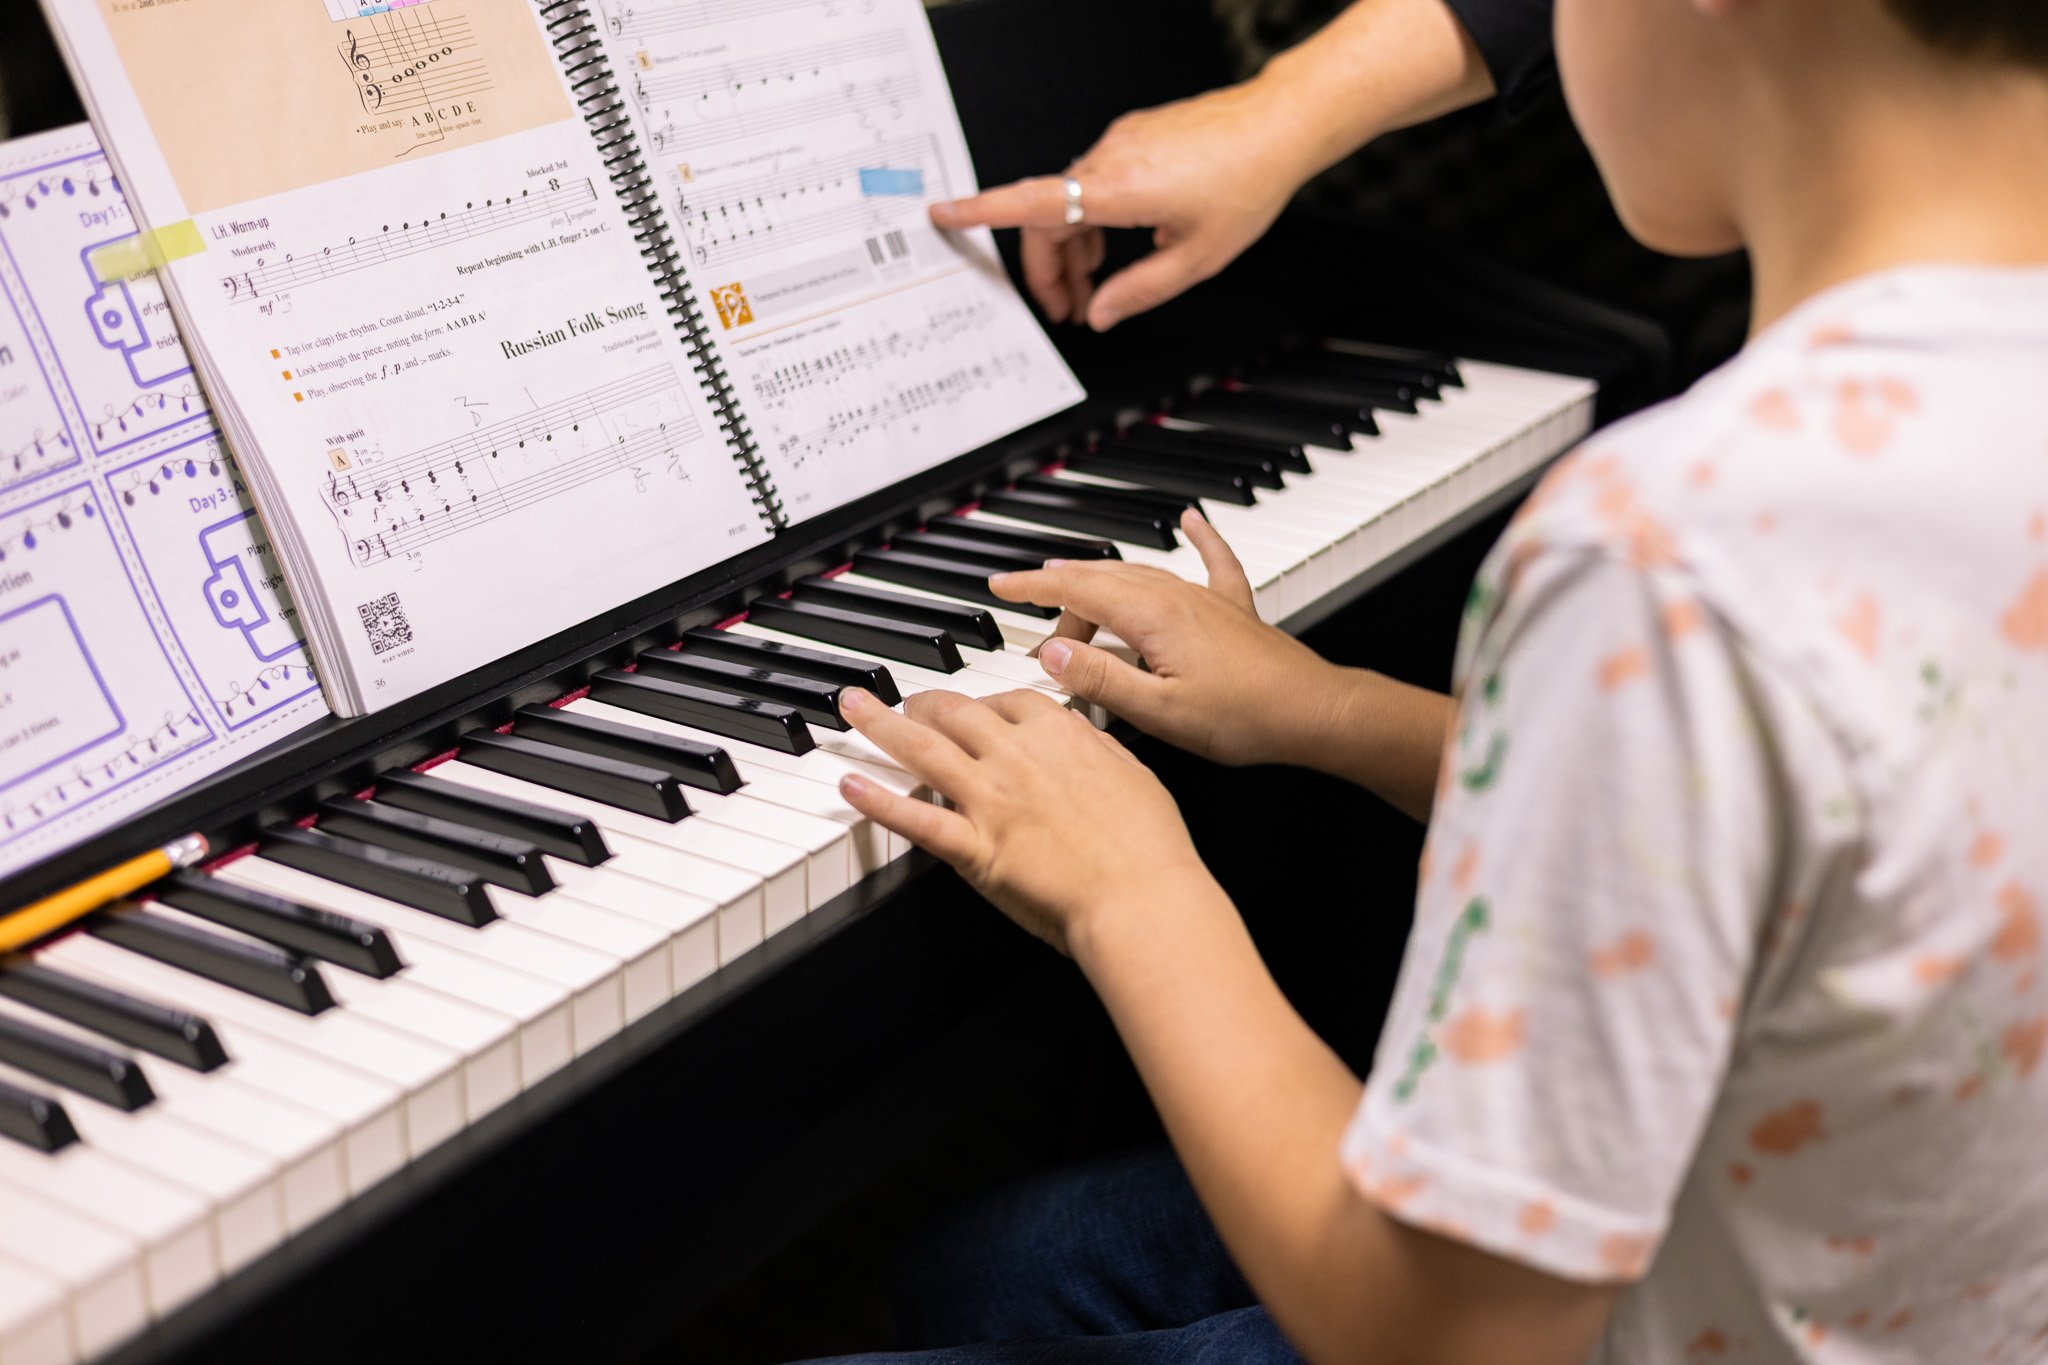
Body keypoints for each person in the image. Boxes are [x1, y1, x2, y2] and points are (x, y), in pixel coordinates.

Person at [813, 0, 2048, 1359]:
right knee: (1009, 1264)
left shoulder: (1677, 549)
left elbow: (1445, 1335)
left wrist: (1130, 892)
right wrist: (1329, 709)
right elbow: (1858, 812)